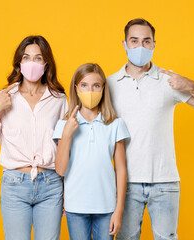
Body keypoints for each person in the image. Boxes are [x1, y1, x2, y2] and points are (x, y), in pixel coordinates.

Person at [107, 19, 194, 240]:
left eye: (146, 41)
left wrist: (188, 84)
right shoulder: (109, 84)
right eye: (134, 41)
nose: (140, 47)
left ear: (153, 45)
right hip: (125, 184)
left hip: (165, 183)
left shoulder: (169, 81)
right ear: (124, 44)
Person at [0, 35, 67, 240]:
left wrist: (66, 190)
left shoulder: (59, 99)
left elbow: (65, 146)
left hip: (51, 184)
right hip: (15, 184)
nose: (32, 63)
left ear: (46, 64)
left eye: (38, 58)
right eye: (26, 58)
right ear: (19, 63)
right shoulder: (5, 96)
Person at [53, 63, 130, 240]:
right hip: (76, 206)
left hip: (106, 207)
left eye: (96, 86)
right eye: (84, 85)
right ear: (76, 88)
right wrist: (67, 134)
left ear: (103, 88)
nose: (90, 91)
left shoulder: (115, 124)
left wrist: (119, 210)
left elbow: (121, 169)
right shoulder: (63, 125)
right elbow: (60, 169)